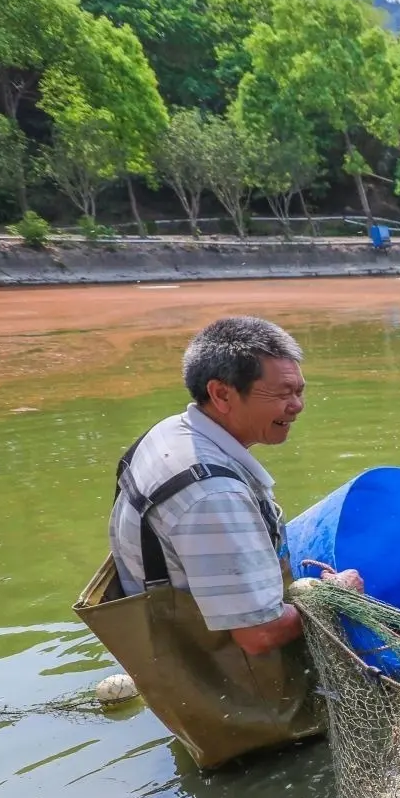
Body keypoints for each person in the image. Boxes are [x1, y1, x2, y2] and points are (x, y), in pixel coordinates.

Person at [75, 316, 359, 768]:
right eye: (283, 393)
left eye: (300, 390)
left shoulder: (170, 434)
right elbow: (257, 633)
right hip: (246, 705)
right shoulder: (213, 496)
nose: (298, 405)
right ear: (222, 394)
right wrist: (335, 595)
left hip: (186, 661)